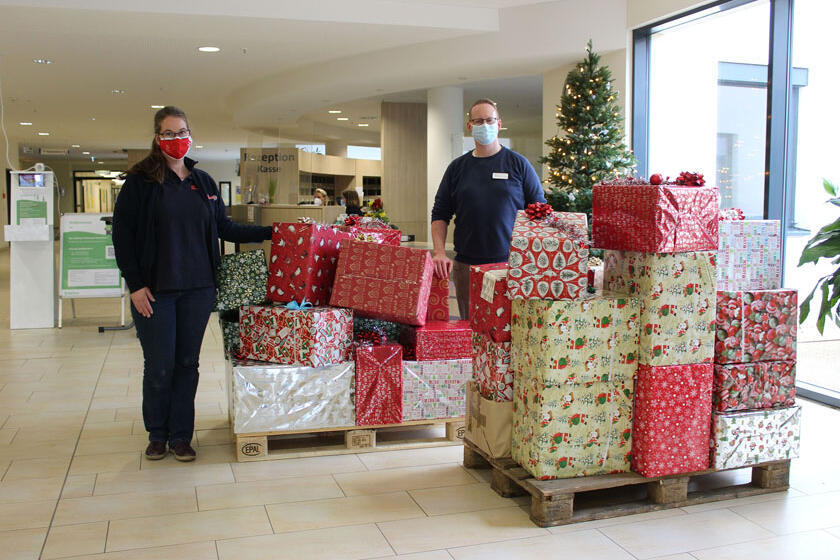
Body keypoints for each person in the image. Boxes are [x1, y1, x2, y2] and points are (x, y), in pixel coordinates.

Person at [112, 106, 272, 462]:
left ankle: (181, 436)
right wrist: (135, 285)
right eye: (168, 133)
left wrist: (273, 231)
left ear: (190, 134)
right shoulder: (140, 182)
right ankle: (158, 433)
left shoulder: (204, 183)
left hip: (198, 290)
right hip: (156, 292)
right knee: (159, 365)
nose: (176, 139)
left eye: (181, 131)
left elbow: (226, 229)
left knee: (187, 363)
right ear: (157, 138)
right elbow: (122, 236)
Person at [430, 98, 546, 319]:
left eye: (490, 120)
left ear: (499, 124)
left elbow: (539, 211)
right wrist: (439, 252)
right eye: (479, 121)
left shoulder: (518, 164)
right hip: (467, 266)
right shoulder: (457, 168)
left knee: (508, 328)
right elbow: (440, 213)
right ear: (470, 126)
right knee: (470, 328)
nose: (485, 125)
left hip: (510, 265)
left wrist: (533, 257)